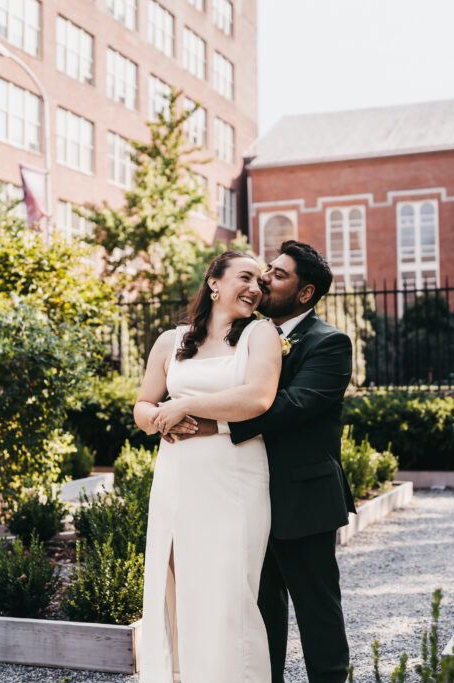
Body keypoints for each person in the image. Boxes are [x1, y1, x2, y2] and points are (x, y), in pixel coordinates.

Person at [173, 240, 356, 683]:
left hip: (303, 499)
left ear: (305, 293)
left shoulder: (329, 343)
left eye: (276, 274)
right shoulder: (241, 335)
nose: (263, 280)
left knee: (317, 612)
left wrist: (208, 420)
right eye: (261, 272)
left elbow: (293, 404)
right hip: (241, 495)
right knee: (257, 613)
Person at [134, 250, 283, 683]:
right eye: (244, 277)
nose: (255, 288)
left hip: (235, 475)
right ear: (214, 283)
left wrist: (187, 405)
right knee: (179, 586)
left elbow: (258, 398)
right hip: (178, 474)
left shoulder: (261, 335)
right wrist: (159, 420)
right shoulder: (171, 341)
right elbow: (143, 406)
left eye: (259, 281)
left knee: (229, 591)